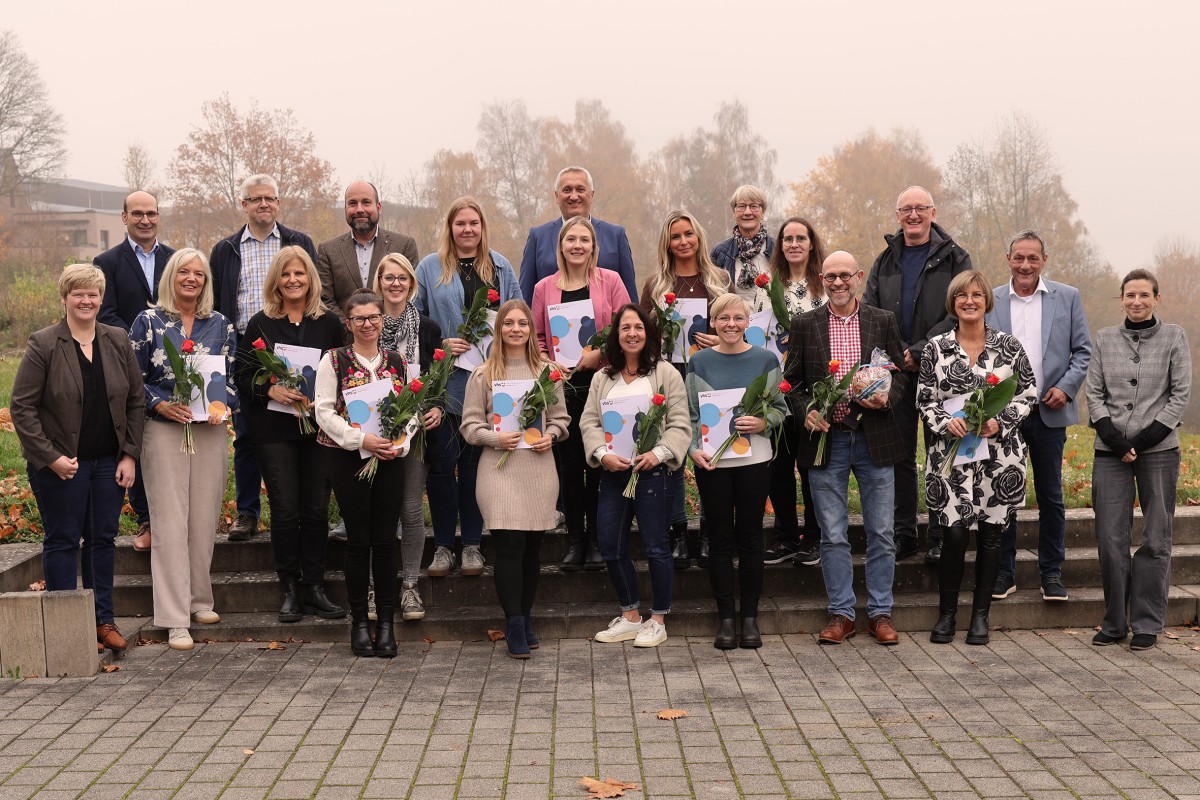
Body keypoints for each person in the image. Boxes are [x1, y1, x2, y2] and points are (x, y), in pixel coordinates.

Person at [11, 263, 145, 654]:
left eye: (92, 294)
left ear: (101, 299)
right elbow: (22, 408)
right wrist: (50, 458)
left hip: (108, 462)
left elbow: (136, 402)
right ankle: (65, 629)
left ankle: (104, 622)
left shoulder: (117, 339)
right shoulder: (45, 343)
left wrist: (129, 456)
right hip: (61, 466)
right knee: (63, 540)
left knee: (102, 540)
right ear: (65, 298)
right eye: (78, 294)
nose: (86, 300)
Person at [786, 251, 908, 647]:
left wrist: (887, 399)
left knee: (882, 531)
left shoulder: (882, 320)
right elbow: (792, 384)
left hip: (874, 436)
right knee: (833, 533)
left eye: (845, 276)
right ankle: (841, 614)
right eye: (830, 277)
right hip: (828, 439)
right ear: (821, 280)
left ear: (858, 277)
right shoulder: (804, 324)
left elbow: (901, 377)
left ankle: (880, 614)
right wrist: (805, 411)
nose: (838, 283)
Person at [919, 271, 1036, 646]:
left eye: (976, 295)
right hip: (951, 456)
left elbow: (1028, 394)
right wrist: (945, 421)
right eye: (961, 296)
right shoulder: (935, 349)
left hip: (999, 457)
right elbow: (925, 400)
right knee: (953, 535)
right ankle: (947, 615)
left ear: (987, 300)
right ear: (952, 303)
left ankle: (981, 616)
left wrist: (998, 422)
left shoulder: (1009, 347)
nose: (969, 301)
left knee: (990, 535)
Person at [130, 249, 237, 652]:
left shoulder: (220, 324)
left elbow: (230, 377)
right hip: (163, 429)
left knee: (204, 515)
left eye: (199, 273)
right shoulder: (149, 321)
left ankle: (199, 600)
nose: (192, 279)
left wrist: (222, 403)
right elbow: (130, 376)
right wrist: (158, 403)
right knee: (171, 520)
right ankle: (175, 619)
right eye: (184, 272)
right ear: (171, 276)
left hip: (208, 429)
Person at [234, 246, 347, 624]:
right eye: (286, 274)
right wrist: (270, 389)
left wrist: (324, 399)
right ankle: (289, 587)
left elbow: (344, 371)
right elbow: (242, 376)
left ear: (310, 278)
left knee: (316, 509)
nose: (293, 280)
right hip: (274, 430)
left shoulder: (329, 323)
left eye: (300, 273)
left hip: (318, 429)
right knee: (285, 509)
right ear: (276, 281)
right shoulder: (260, 324)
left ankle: (314, 586)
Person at [863, 186, 973, 564]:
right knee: (901, 457)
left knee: (942, 451)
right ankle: (904, 534)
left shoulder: (956, 257)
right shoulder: (885, 260)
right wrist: (900, 354)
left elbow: (960, 308)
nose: (913, 215)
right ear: (898, 215)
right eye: (906, 209)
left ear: (933, 211)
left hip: (943, 369)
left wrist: (922, 348)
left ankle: (940, 534)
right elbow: (871, 311)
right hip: (897, 372)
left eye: (920, 208)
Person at [415, 197, 522, 578]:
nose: (467, 230)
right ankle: (444, 546)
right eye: (460, 223)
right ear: (450, 227)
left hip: (489, 381)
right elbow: (415, 320)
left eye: (474, 223)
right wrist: (440, 342)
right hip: (446, 383)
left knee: (476, 465)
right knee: (443, 466)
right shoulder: (429, 267)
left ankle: (473, 545)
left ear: (482, 226)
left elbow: (517, 316)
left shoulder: (500, 266)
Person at [1086, 269, 1191, 652]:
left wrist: (1145, 440)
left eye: (1144, 295)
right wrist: (1115, 441)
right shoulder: (1104, 339)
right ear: (1122, 299)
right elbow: (1093, 395)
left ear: (1156, 298)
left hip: (1159, 449)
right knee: (1110, 538)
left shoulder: (1174, 337)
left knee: (1156, 536)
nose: (1136, 301)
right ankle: (1115, 622)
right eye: (1130, 295)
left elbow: (1180, 395)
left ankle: (1147, 622)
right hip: (1109, 450)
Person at [211, 174, 318, 544]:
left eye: (269, 199)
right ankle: (247, 512)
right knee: (246, 434)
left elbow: (312, 288)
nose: (263, 205)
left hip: (295, 343)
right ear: (244, 204)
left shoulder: (297, 242)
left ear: (278, 202)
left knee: (299, 426)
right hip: (248, 345)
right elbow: (220, 302)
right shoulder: (225, 249)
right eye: (255, 199)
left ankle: (298, 508)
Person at [986, 230, 1092, 602]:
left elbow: (1083, 351)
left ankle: (1051, 572)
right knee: (1004, 493)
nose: (1025, 265)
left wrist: (1066, 387)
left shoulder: (1068, 297)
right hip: (1004, 413)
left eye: (1033, 258)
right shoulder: (991, 299)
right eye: (1019, 258)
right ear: (1008, 259)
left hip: (1050, 409)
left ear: (1044, 260)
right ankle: (1005, 571)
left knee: (1050, 494)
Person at [460, 299, 569, 658]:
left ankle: (524, 616)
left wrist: (551, 435)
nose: (516, 329)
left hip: (538, 468)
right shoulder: (483, 374)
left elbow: (560, 419)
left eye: (523, 323)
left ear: (530, 328)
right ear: (500, 328)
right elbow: (469, 425)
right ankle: (515, 622)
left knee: (532, 550)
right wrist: (495, 438)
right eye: (509, 323)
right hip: (499, 470)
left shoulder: (549, 372)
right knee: (509, 547)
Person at [581, 304, 692, 648]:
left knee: (657, 546)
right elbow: (589, 422)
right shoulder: (603, 377)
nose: (632, 333)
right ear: (616, 334)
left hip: (653, 473)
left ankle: (657, 619)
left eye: (639, 327)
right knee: (611, 545)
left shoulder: (666, 373)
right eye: (625, 327)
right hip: (614, 474)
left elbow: (679, 423)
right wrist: (602, 455)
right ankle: (630, 616)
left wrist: (656, 454)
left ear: (649, 334)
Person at [686, 293, 787, 650]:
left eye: (738, 318)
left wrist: (762, 421)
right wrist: (692, 449)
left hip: (754, 461)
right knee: (719, 540)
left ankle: (750, 618)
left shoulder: (764, 359)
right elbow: (690, 415)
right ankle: (725, 618)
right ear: (712, 322)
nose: (731, 324)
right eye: (723, 318)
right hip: (712, 462)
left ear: (748, 323)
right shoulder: (699, 363)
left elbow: (780, 408)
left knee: (750, 539)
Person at [532, 216, 632, 571]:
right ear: (560, 246)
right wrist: (547, 362)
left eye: (584, 240)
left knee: (601, 464)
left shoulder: (611, 281)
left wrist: (599, 355)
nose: (577, 245)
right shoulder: (545, 287)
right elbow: (538, 339)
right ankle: (577, 539)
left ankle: (602, 540)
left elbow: (627, 328)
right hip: (563, 387)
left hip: (603, 382)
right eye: (570, 239)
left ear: (594, 246)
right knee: (571, 466)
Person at [313, 291, 408, 658]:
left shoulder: (397, 362)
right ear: (348, 323)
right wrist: (361, 439)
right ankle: (359, 624)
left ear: (382, 320)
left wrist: (401, 438)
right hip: (347, 458)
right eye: (360, 319)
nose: (368, 324)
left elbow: (409, 407)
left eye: (374, 318)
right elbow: (324, 412)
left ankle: (386, 624)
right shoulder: (334, 361)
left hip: (389, 458)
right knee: (358, 540)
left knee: (385, 541)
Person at [640, 210, 728, 569]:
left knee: (710, 450)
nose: (683, 241)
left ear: (699, 237)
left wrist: (719, 336)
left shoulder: (719, 279)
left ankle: (708, 532)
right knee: (673, 450)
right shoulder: (655, 285)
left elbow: (735, 321)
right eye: (675, 236)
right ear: (667, 243)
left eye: (688, 234)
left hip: (712, 373)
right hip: (669, 376)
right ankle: (677, 531)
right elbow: (641, 335)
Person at [95, 190, 174, 552]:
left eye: (151, 213)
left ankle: (173, 517)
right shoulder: (107, 261)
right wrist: (139, 342)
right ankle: (146, 519)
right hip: (126, 364)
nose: (145, 220)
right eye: (137, 213)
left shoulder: (176, 259)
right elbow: (105, 312)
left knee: (170, 443)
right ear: (124, 217)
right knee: (136, 440)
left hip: (174, 366)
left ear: (159, 217)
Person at [373, 253, 444, 621]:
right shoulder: (366, 324)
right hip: (373, 435)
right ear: (379, 282)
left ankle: (410, 588)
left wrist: (437, 409)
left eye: (402, 278)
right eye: (389, 277)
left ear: (411, 283)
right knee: (377, 511)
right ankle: (376, 588)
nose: (395, 284)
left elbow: (438, 383)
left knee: (411, 509)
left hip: (414, 434)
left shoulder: (428, 329)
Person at [763, 217, 827, 569]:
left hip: (815, 389)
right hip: (776, 387)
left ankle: (813, 536)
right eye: (787, 238)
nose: (794, 244)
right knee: (778, 464)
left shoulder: (824, 285)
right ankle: (785, 534)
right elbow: (754, 329)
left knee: (811, 464)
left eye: (801, 238)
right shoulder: (767, 286)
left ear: (811, 243)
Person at [519, 166, 638, 304]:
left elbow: (630, 299)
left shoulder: (616, 235)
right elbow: (525, 299)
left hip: (605, 324)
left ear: (591, 195)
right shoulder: (538, 237)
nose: (574, 196)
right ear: (557, 196)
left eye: (580, 190)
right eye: (567, 190)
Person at [317, 181, 420, 321]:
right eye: (353, 203)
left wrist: (382, 325)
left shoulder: (404, 245)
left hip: (396, 338)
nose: (359, 209)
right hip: (344, 338)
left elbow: (412, 294)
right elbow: (325, 300)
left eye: (366, 202)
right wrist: (354, 326)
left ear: (378, 207)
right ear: (345, 209)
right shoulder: (328, 250)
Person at [710, 185, 775, 310]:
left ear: (763, 212)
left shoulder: (777, 249)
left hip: (772, 326)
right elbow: (713, 294)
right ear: (734, 213)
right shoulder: (720, 252)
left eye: (754, 206)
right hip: (734, 326)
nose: (747, 212)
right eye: (741, 206)